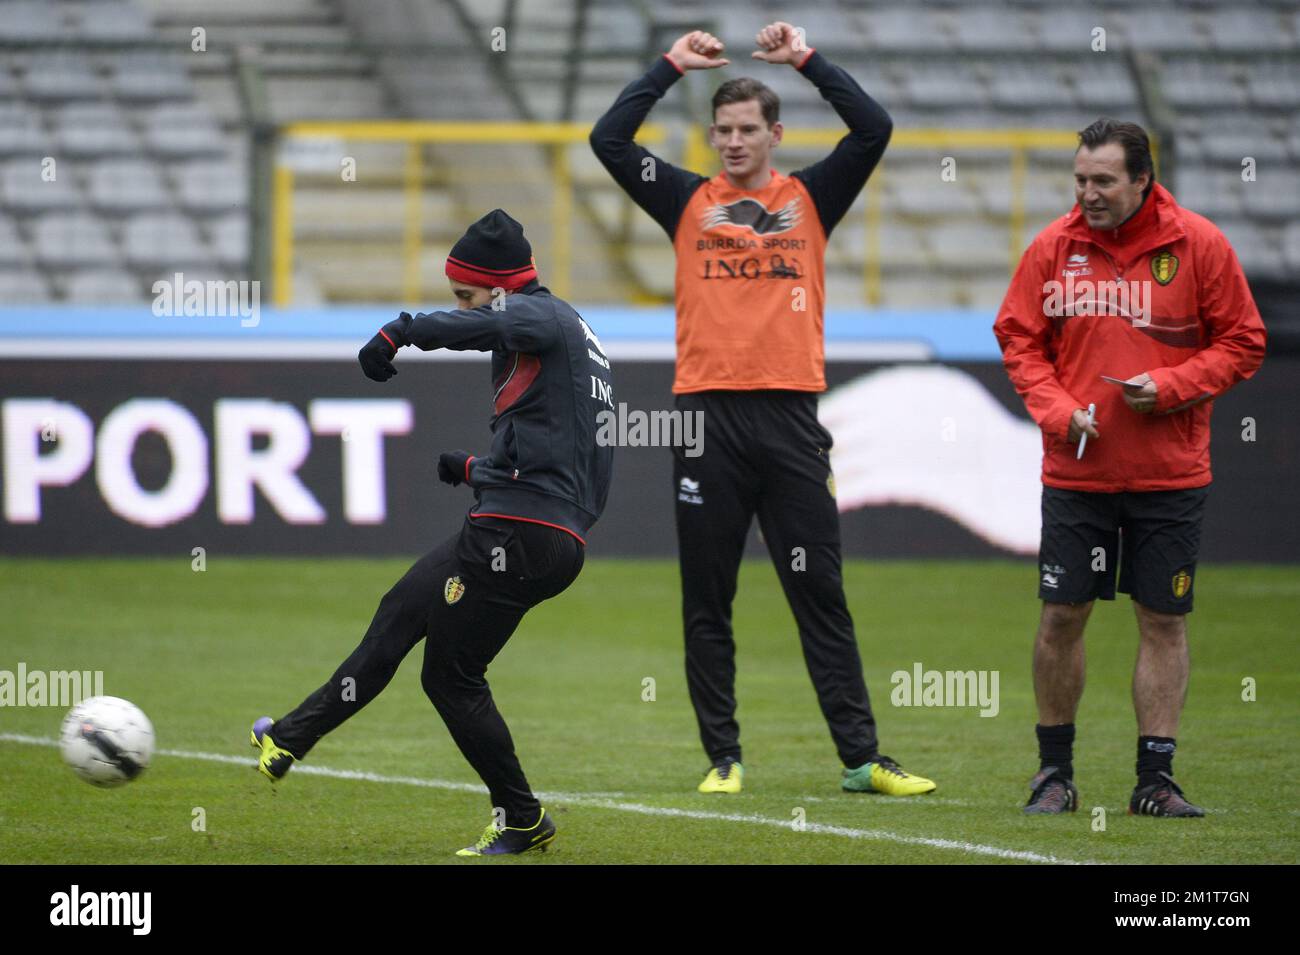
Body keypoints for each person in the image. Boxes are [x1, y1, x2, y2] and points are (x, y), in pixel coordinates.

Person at [590, 22, 935, 797]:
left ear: (776, 134)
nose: (735, 141)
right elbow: (608, 139)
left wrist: (808, 60)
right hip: (705, 420)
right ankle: (724, 756)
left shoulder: (811, 196)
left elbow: (874, 127)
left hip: (790, 422)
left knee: (821, 593)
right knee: (709, 596)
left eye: (749, 129)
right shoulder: (684, 197)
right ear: (710, 136)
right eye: (724, 130)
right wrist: (670, 66)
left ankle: (862, 758)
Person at [249, 209, 614, 855]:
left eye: (466, 295)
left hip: (517, 534)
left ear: (501, 289)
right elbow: (569, 456)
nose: (463, 307)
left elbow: (490, 324)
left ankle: (522, 816)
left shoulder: (534, 314)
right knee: (401, 611)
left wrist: (401, 331)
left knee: (450, 676)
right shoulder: (570, 331)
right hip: (533, 527)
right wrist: (477, 469)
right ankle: (289, 736)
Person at [994, 119, 1266, 817]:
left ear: (1144, 179)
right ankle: (1053, 774)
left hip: (1169, 475)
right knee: (1062, 614)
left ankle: (1156, 779)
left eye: (1103, 181)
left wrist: (1171, 386)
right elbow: (1019, 337)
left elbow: (1244, 340)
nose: (1088, 193)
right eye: (1081, 179)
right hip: (1078, 471)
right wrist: (1058, 410)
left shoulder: (1199, 245)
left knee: (1163, 619)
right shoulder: (1053, 248)